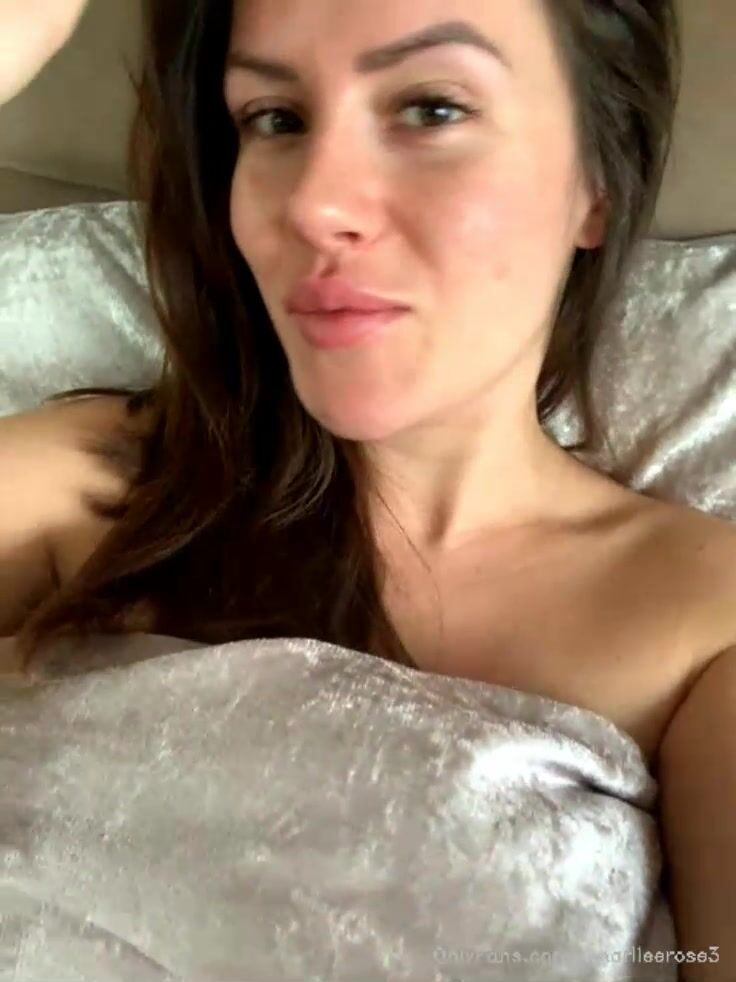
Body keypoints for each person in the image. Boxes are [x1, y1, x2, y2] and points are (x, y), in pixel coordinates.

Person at [1, 3, 735, 973]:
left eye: (431, 109)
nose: (311, 203)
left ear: (595, 180)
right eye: (275, 119)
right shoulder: (98, 485)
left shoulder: (702, 619)